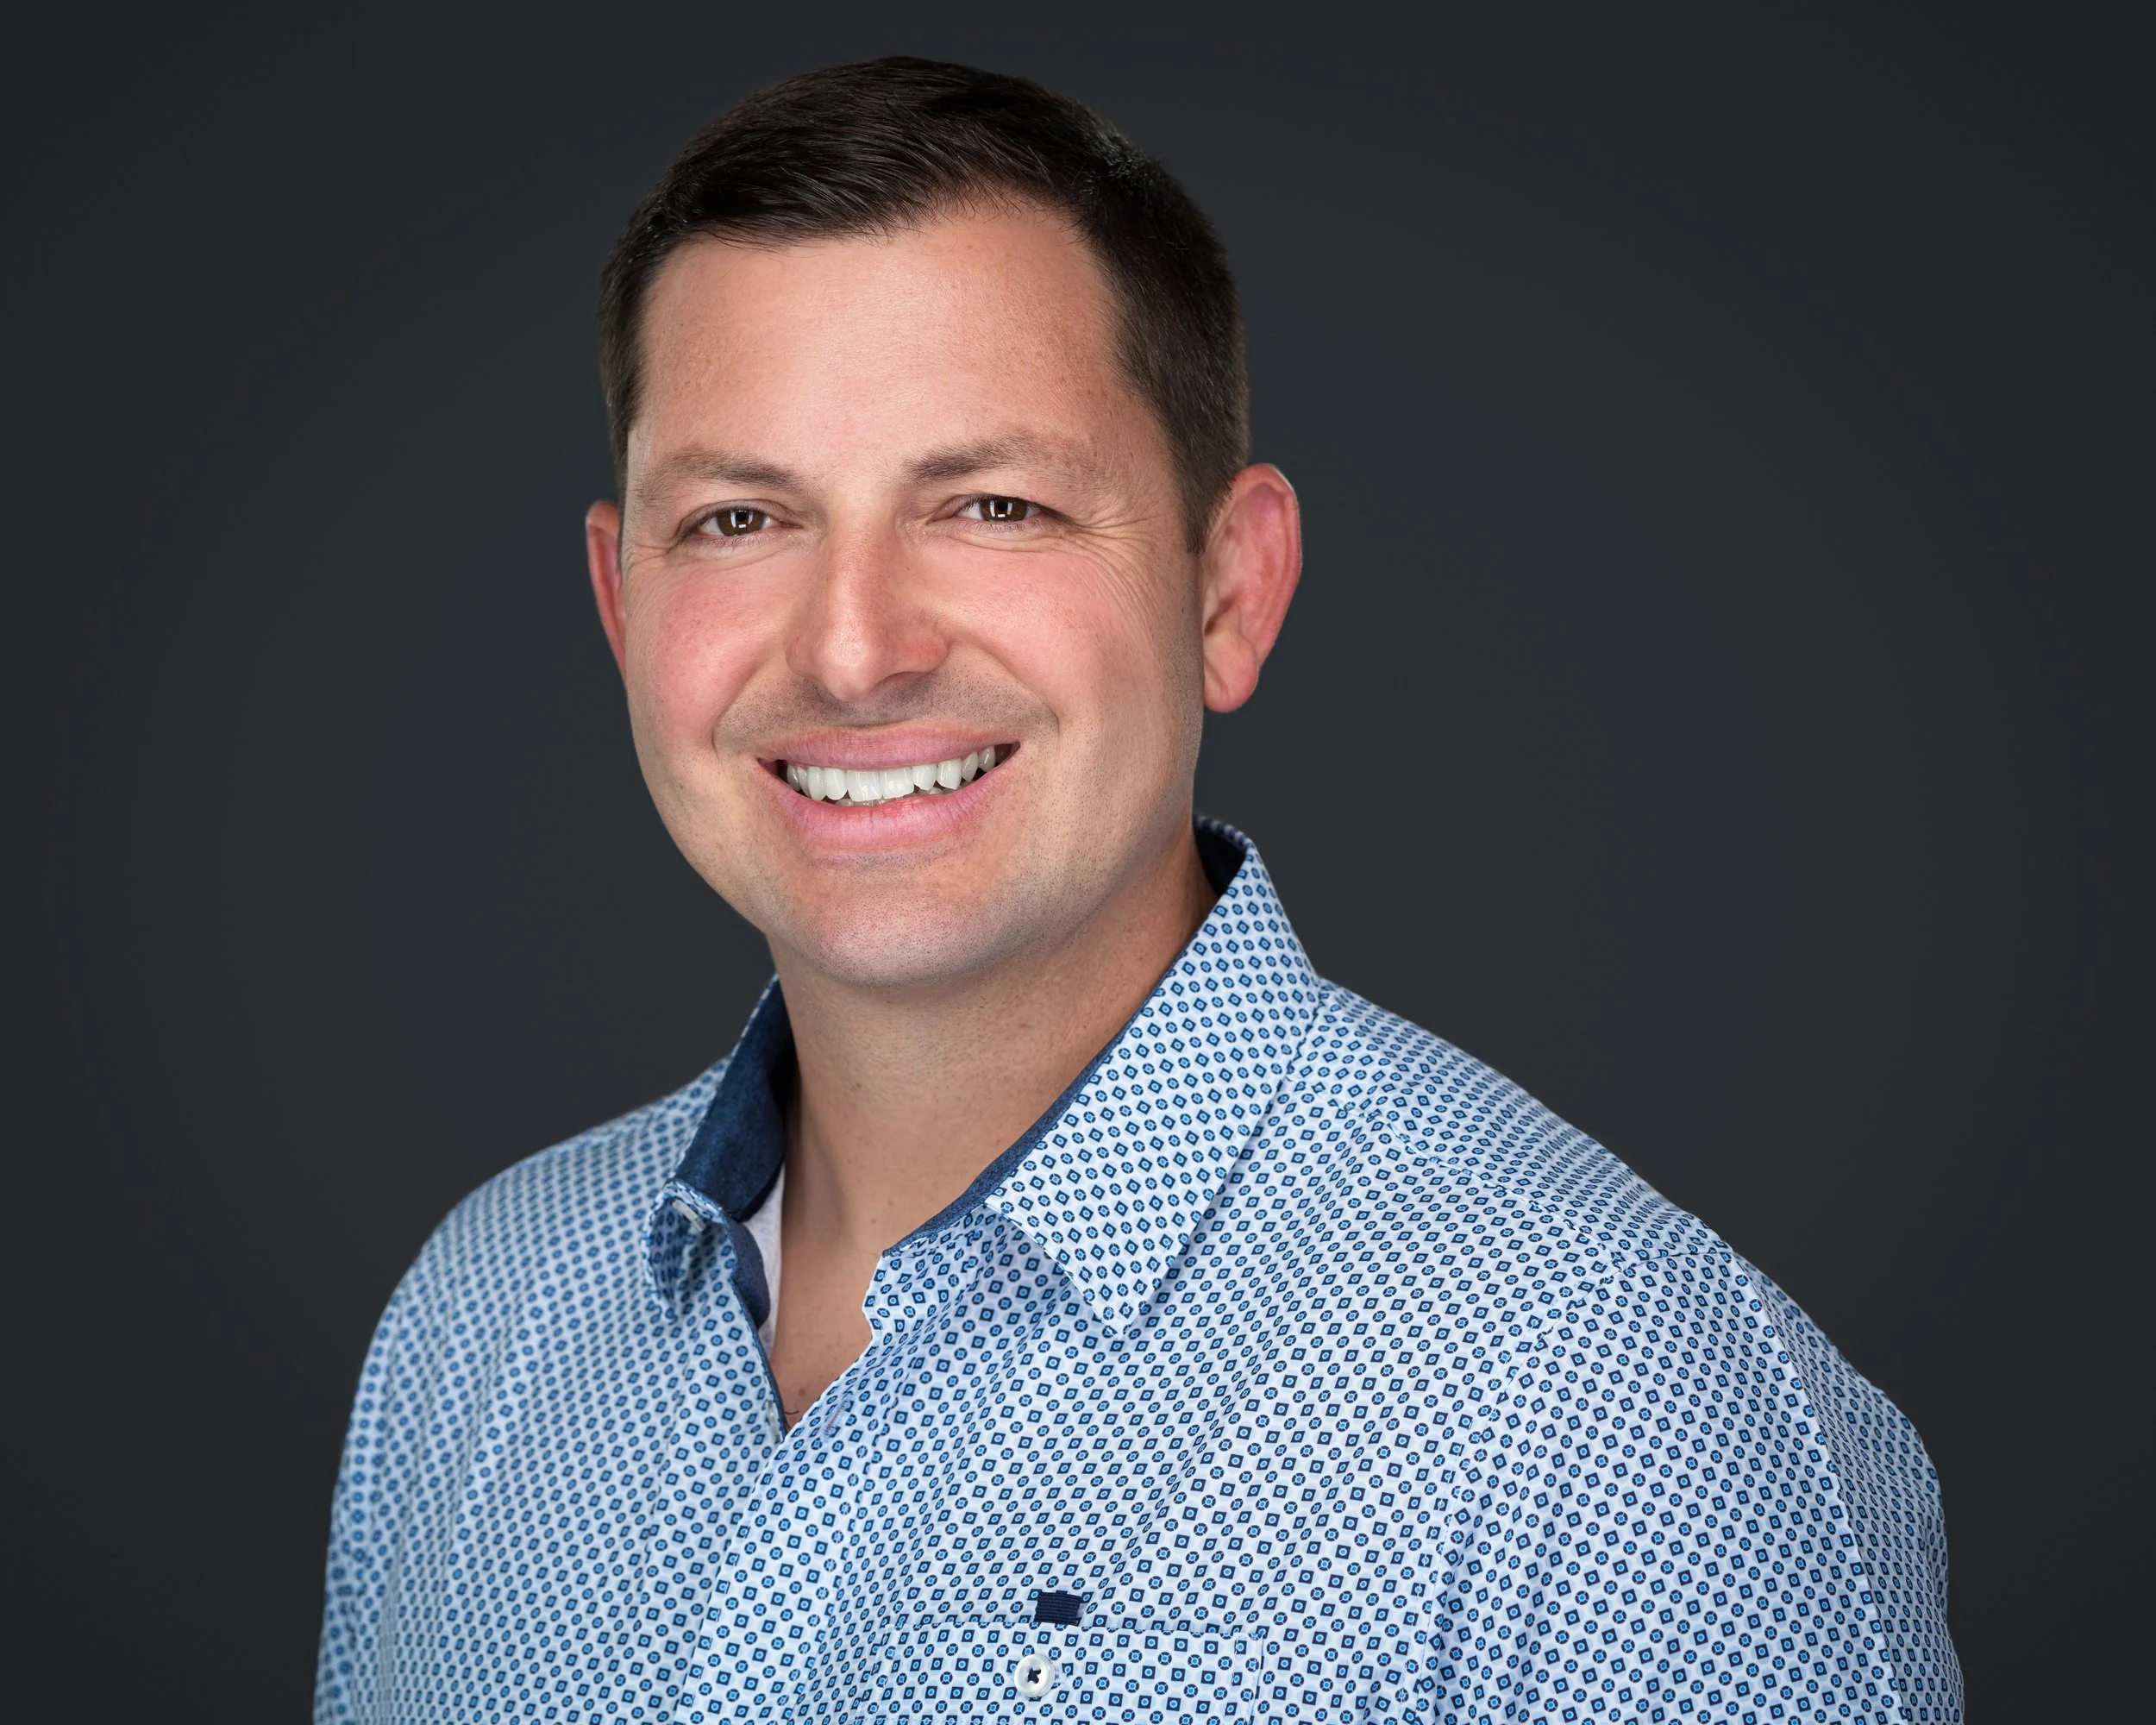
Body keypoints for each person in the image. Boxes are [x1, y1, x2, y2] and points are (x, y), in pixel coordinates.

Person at [314, 56, 1962, 1724]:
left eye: (994, 506)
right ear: (620, 604)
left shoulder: (1606, 1397)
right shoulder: (481, 1316)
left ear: (1230, 593)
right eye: (741, 517)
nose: (853, 646)